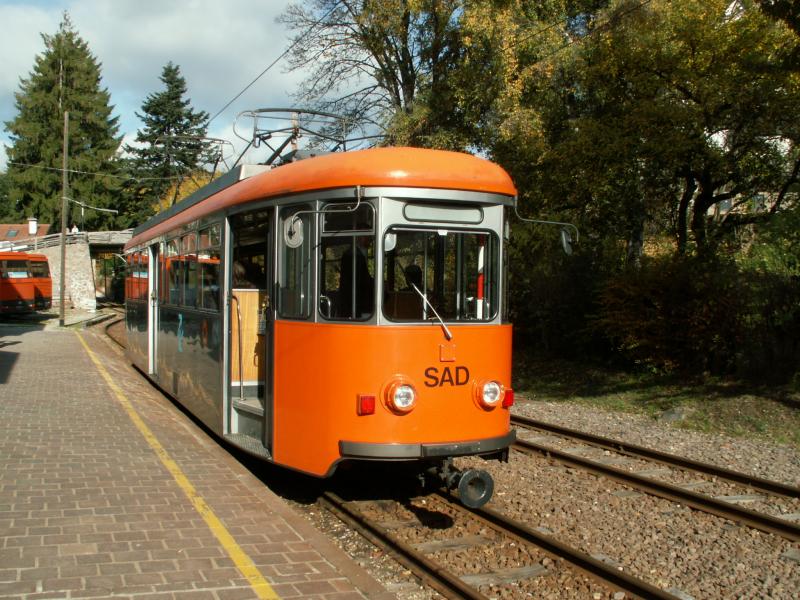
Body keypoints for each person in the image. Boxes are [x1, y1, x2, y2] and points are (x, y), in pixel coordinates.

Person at [339, 235, 373, 318]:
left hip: (351, 299)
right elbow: (362, 279)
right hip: (355, 301)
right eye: (367, 236)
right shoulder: (355, 255)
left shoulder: (353, 253)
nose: (370, 239)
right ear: (358, 237)